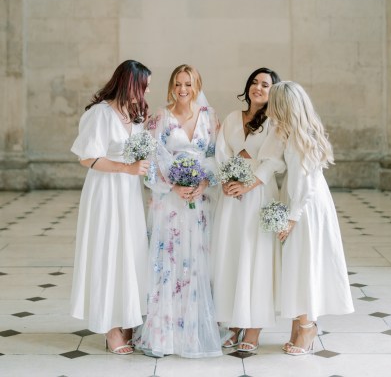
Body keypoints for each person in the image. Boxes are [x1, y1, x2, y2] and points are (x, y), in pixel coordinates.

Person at [261, 81, 354, 355]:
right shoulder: (291, 133)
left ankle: (307, 326)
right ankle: (299, 322)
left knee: (303, 263)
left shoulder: (300, 139)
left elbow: (305, 184)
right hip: (302, 202)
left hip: (305, 207)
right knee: (298, 263)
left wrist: (291, 218)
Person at [138, 64, 222, 358]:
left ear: (197, 85)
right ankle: (165, 334)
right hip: (169, 201)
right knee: (168, 261)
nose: (183, 89)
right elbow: (153, 156)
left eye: (188, 84)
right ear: (171, 86)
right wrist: (172, 185)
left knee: (196, 260)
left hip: (199, 198)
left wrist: (202, 180)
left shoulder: (209, 117)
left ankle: (194, 330)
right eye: (178, 84)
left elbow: (216, 155)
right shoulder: (161, 117)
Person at [70, 60, 152, 355]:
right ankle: (111, 327)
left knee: (130, 253)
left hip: (129, 193)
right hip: (105, 190)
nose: (146, 92)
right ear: (129, 83)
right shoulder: (100, 114)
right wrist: (124, 168)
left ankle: (129, 315)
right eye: (143, 86)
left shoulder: (136, 116)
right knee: (108, 251)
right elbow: (87, 157)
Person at [211, 67, 282, 353]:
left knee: (256, 259)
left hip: (258, 196)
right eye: (254, 82)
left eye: (265, 84)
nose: (258, 88)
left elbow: (274, 161)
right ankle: (233, 323)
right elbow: (219, 152)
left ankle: (253, 329)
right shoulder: (231, 119)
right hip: (230, 198)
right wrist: (227, 181)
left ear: (273, 91)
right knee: (231, 256)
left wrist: (248, 185)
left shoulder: (276, 123)